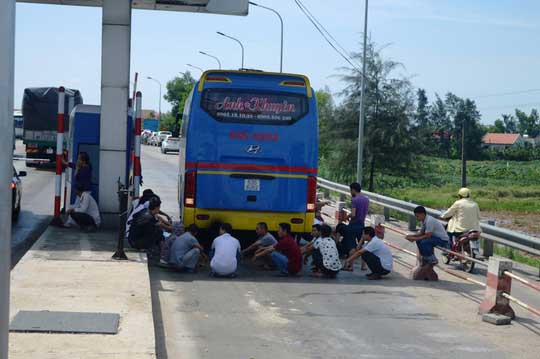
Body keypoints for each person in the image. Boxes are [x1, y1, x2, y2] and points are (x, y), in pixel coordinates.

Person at [341, 182, 369, 257]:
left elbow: (353, 214)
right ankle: (363, 265)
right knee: (361, 245)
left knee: (351, 245)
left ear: (353, 190)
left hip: (353, 225)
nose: (350, 192)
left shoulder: (355, 200)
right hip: (362, 224)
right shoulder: (366, 199)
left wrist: (346, 217)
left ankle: (350, 265)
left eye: (350, 190)